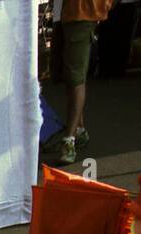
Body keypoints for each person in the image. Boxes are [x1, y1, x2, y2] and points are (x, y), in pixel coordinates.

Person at [53, 0, 117, 165]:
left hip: (80, 15)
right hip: (69, 15)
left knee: (75, 78)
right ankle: (79, 131)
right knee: (70, 76)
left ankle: (70, 139)